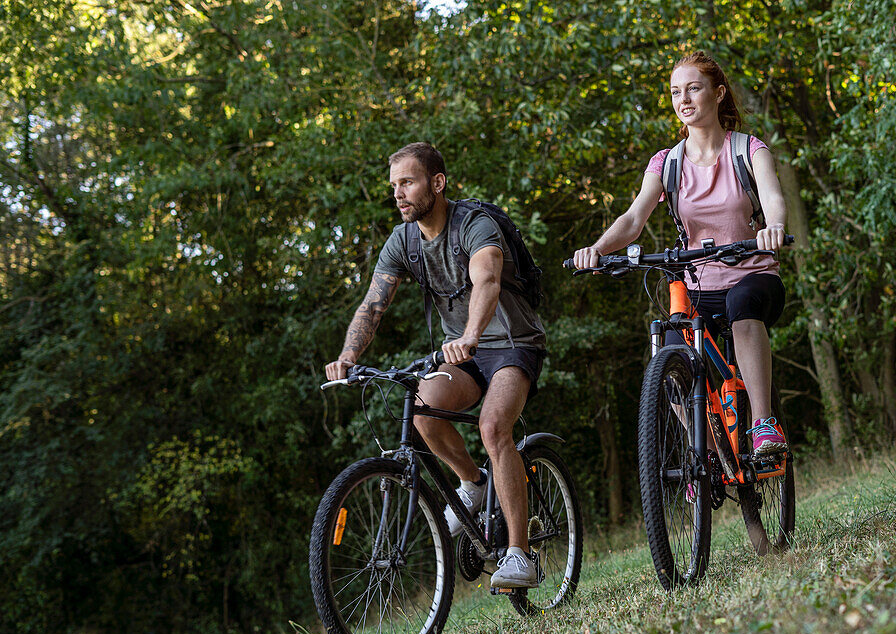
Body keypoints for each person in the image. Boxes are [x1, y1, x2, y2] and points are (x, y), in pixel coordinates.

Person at [325, 142, 546, 588]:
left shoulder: (475, 224)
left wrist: (470, 335)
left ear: (437, 183)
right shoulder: (403, 240)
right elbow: (373, 304)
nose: (399, 194)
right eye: (394, 186)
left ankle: (521, 554)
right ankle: (474, 482)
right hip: (459, 352)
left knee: (493, 428)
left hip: (511, 344)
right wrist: (350, 354)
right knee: (423, 410)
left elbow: (486, 277)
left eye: (407, 182)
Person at [572, 51, 788, 456]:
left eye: (693, 88)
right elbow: (634, 218)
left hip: (754, 277)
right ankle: (701, 453)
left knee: (742, 305)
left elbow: (773, 197)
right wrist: (597, 250)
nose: (683, 99)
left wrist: (773, 227)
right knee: (669, 349)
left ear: (718, 93)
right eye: (675, 92)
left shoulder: (748, 150)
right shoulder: (666, 163)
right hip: (699, 285)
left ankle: (763, 423)